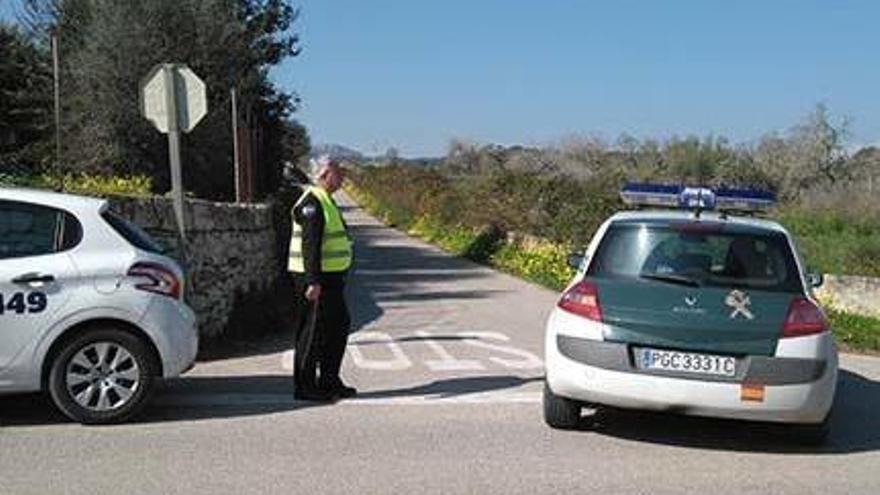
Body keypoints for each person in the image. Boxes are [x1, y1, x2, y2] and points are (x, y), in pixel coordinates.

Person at [288, 156, 356, 401]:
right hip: (316, 280)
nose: (343, 178)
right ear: (326, 173)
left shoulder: (326, 200)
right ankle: (305, 386)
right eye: (339, 173)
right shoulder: (312, 203)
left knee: (336, 328)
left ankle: (329, 381)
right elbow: (310, 245)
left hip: (332, 279)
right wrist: (312, 281)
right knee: (312, 332)